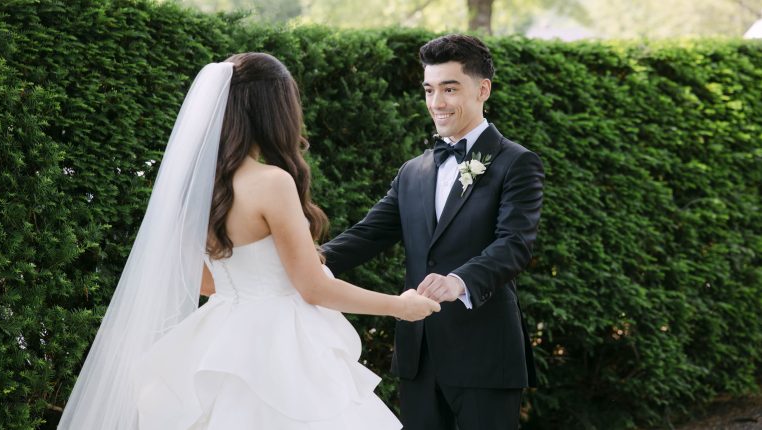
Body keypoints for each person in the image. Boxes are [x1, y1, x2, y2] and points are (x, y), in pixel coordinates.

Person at [58, 52, 440, 429]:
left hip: (220, 334)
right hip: (281, 345)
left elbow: (206, 282)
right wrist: (400, 306)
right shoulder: (271, 182)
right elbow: (311, 288)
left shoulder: (197, 187)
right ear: (274, 111)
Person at [322, 34, 544, 430]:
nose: (436, 103)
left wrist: (459, 281)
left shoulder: (517, 163)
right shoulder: (413, 171)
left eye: (449, 89)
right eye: (429, 89)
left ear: (483, 89)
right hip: (418, 355)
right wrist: (308, 261)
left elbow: (515, 244)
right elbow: (368, 234)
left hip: (486, 354)